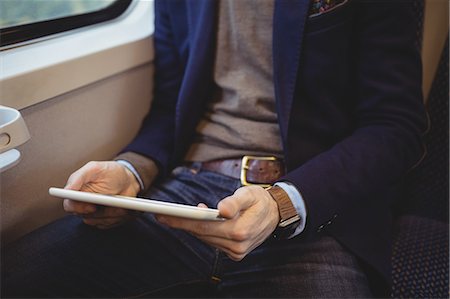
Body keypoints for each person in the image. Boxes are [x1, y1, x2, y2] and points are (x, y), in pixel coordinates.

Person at [1, 0, 426, 297]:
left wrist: (282, 203)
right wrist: (130, 171)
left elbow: (395, 127)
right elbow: (171, 109)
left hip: (316, 208)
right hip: (186, 194)